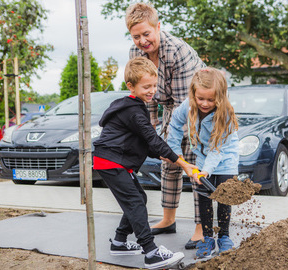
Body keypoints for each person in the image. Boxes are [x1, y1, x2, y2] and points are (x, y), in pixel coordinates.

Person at [93, 57, 197, 269]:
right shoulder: (133, 110)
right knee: (136, 203)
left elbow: (143, 142)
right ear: (131, 86)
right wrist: (183, 163)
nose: (152, 91)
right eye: (146, 86)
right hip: (112, 162)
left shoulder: (133, 106)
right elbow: (152, 138)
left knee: (138, 198)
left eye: (154, 85)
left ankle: (120, 242)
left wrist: (162, 154)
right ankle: (150, 252)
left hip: (111, 161)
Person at [125, 2, 206, 248]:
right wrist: (151, 132)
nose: (142, 41)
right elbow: (144, 95)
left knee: (192, 163)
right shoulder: (135, 54)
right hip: (173, 108)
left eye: (146, 34)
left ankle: (202, 226)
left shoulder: (177, 52)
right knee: (168, 164)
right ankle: (168, 219)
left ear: (158, 26)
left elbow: (185, 106)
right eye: (136, 36)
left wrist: (169, 145)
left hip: (199, 109)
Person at [166, 67, 239, 258]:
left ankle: (224, 236)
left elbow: (217, 150)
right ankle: (207, 238)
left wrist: (205, 171)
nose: (204, 103)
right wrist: (176, 154)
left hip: (225, 157)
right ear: (193, 94)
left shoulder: (225, 115)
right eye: (200, 99)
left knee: (224, 197)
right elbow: (174, 125)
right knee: (204, 199)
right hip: (202, 157)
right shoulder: (188, 106)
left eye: (210, 99)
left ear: (220, 97)